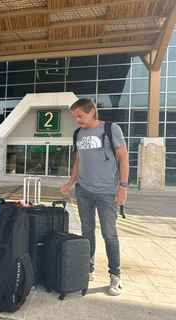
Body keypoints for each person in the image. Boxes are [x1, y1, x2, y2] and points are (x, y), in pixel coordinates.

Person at [60, 97, 129, 296]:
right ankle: (88, 268)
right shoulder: (78, 134)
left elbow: (123, 158)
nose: (77, 120)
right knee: (87, 232)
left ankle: (115, 276)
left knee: (109, 234)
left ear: (92, 112)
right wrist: (71, 182)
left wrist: (123, 187)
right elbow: (78, 160)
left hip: (107, 191)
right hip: (84, 191)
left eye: (80, 116)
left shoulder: (111, 129)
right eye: (75, 117)